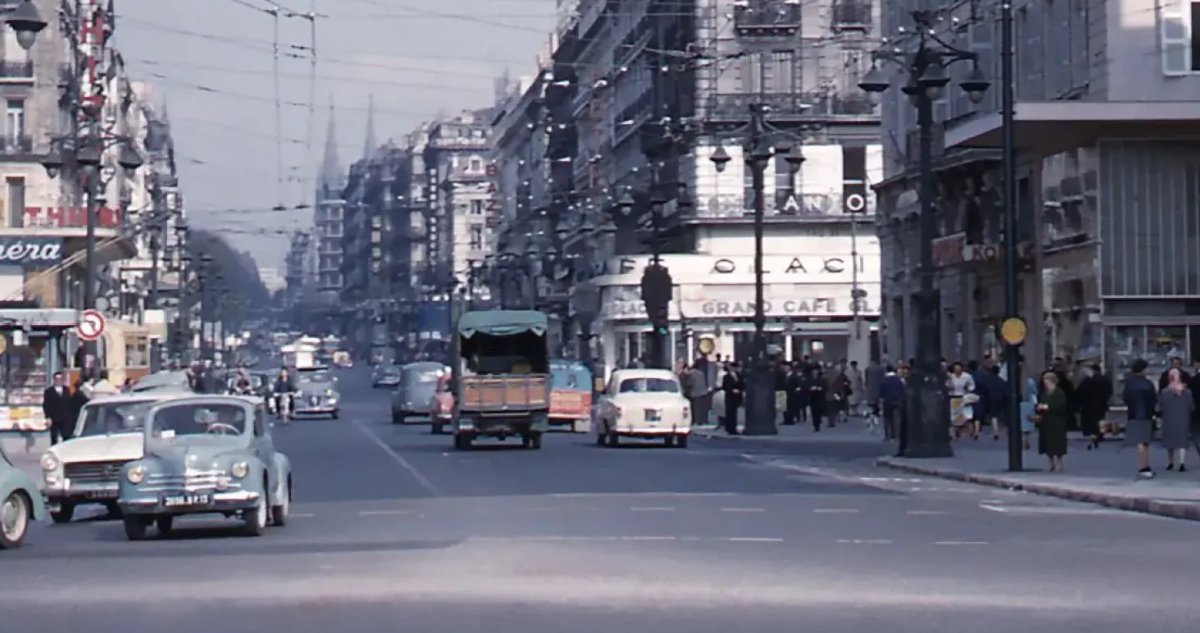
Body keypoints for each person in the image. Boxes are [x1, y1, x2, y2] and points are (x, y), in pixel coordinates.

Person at [1122, 359, 1159, 479]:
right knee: (1145, 442)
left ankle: (1144, 466)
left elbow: (1125, 398)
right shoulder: (1148, 384)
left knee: (1141, 443)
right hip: (1146, 415)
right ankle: (1144, 467)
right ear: (1143, 369)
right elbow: (1153, 400)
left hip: (1134, 414)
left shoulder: (1129, 383)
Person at [1159, 367, 1193, 472]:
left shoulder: (1165, 392)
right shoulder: (1187, 392)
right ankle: (1182, 462)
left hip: (1169, 418)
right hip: (1183, 418)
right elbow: (1192, 406)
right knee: (1182, 441)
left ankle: (1170, 462)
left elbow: (1161, 406)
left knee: (1170, 441)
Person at [1035, 371, 1070, 472]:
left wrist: (1048, 407)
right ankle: (1051, 463)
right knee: (1047, 444)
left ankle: (1058, 463)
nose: (1046, 384)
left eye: (1047, 382)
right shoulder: (1044, 394)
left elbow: (1062, 406)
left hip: (1057, 422)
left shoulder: (1059, 393)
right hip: (1046, 422)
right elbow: (1039, 403)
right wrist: (1039, 407)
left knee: (1057, 444)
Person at [1076, 364, 1113, 449]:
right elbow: (1109, 392)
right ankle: (1099, 435)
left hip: (1088, 405)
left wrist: (1080, 403)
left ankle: (1091, 436)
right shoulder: (1105, 380)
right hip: (1101, 404)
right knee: (1099, 420)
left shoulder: (1087, 380)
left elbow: (1080, 392)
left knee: (1089, 422)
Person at [42, 372, 75, 445]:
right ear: (54, 380)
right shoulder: (49, 391)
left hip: (65, 418)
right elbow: (46, 405)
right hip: (54, 419)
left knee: (66, 437)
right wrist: (48, 417)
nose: (58, 381)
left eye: (60, 379)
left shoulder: (67, 390)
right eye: (57, 379)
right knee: (54, 438)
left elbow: (69, 403)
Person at [947, 361, 977, 440]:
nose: (957, 370)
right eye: (955, 368)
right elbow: (948, 385)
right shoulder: (951, 377)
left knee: (967, 416)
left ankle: (969, 432)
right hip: (954, 397)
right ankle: (955, 433)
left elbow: (972, 385)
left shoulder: (967, 376)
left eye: (958, 368)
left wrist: (968, 390)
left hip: (964, 397)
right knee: (954, 417)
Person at [879, 364, 905, 442]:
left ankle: (888, 436)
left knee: (887, 419)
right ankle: (896, 436)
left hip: (887, 401)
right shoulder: (898, 380)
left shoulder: (884, 380)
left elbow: (881, 392)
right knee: (896, 419)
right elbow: (902, 390)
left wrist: (880, 401)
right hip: (897, 401)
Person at [720, 361, 744, 435]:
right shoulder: (726, 377)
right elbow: (724, 387)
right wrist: (731, 390)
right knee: (730, 413)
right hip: (729, 396)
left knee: (734, 413)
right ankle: (730, 428)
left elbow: (742, 385)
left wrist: (739, 390)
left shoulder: (739, 376)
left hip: (737, 396)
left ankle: (732, 427)